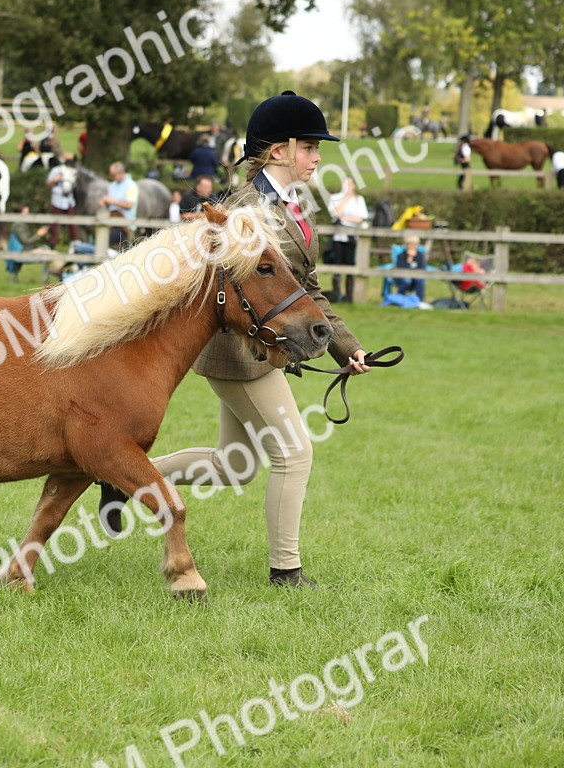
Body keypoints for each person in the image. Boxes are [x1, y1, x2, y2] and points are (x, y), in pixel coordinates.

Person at [98, 90, 370, 589]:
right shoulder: (244, 209)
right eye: (310, 147)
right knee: (294, 453)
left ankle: (122, 474)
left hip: (261, 346)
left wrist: (346, 346)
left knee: (234, 465)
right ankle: (286, 571)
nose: (317, 158)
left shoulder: (297, 205)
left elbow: (305, 289)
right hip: (240, 352)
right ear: (279, 151)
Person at [326, 176, 368, 302]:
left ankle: (349, 296)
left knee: (350, 264)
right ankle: (336, 294)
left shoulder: (359, 199)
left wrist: (344, 219)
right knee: (337, 265)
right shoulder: (335, 198)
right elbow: (335, 213)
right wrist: (346, 198)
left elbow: (360, 218)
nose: (347, 187)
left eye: (350, 184)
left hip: (352, 237)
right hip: (338, 237)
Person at [100, 161, 138, 248]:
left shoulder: (131, 185)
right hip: (112, 222)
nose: (112, 177)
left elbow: (130, 205)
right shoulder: (112, 185)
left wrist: (112, 201)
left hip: (125, 226)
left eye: (113, 175)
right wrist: (105, 202)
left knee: (107, 240)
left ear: (121, 173)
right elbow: (110, 203)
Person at [45, 152, 78, 245]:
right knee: (55, 223)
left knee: (72, 224)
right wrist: (54, 180)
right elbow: (48, 184)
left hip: (69, 201)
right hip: (57, 200)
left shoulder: (74, 171)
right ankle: (53, 243)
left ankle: (74, 243)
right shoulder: (56, 170)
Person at [393, 234, 428, 300]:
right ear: (406, 245)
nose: (412, 246)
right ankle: (399, 298)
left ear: (417, 245)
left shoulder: (420, 255)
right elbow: (400, 268)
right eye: (410, 244)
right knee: (407, 281)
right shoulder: (401, 255)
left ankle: (420, 300)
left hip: (416, 276)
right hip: (403, 276)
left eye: (414, 244)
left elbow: (422, 268)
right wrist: (409, 259)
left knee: (419, 280)